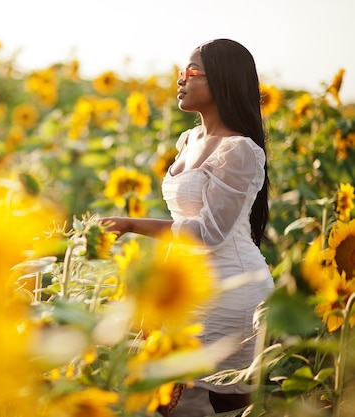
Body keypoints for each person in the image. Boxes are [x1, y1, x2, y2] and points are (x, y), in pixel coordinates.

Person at [103, 39, 274, 415]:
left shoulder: (239, 150)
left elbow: (209, 234)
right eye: (182, 72)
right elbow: (187, 225)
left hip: (230, 288)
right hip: (188, 282)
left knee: (226, 398)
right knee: (165, 394)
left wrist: (132, 224)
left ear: (224, 82)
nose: (182, 80)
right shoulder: (190, 140)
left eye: (193, 72)